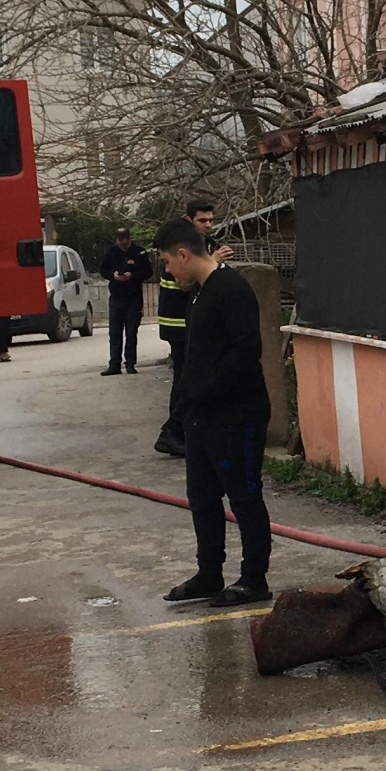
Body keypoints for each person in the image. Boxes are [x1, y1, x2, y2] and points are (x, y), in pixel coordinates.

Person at [154, 217, 271, 608]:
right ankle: (209, 573)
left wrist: (207, 390)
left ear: (183, 254)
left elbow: (246, 350)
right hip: (201, 416)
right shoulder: (199, 292)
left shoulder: (231, 289)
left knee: (244, 496)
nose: (168, 271)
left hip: (237, 415)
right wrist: (188, 402)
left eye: (168, 262)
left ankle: (254, 578)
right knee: (202, 498)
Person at [154, 197, 222, 459]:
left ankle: (178, 430)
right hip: (180, 325)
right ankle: (172, 431)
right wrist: (212, 262)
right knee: (185, 379)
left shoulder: (195, 243)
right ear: (189, 220)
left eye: (210, 220)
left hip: (184, 323)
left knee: (185, 378)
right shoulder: (182, 247)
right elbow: (185, 284)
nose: (208, 225)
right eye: (202, 220)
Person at [97, 225, 151, 376]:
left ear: (129, 239)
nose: (122, 246)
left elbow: (148, 272)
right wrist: (113, 275)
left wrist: (132, 276)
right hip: (116, 297)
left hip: (133, 297)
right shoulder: (112, 252)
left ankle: (130, 364)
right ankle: (114, 364)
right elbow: (103, 269)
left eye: (125, 243)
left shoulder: (139, 252)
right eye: (120, 243)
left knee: (131, 332)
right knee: (114, 333)